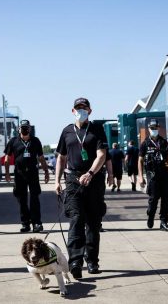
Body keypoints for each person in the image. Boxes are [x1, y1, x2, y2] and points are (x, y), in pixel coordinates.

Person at [55, 97, 108, 279]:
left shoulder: (97, 130)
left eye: (84, 108)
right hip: (72, 179)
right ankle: (75, 261)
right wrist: (57, 181)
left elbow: (101, 155)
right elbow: (61, 158)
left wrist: (91, 173)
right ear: (72, 111)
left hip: (93, 180)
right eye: (78, 108)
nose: (81, 110)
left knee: (93, 222)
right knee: (76, 218)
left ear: (90, 111)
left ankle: (92, 260)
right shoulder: (67, 131)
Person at [5, 119, 50, 233]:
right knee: (22, 199)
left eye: (27, 128)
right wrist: (7, 173)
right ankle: (25, 224)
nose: (25, 129)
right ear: (19, 129)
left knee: (35, 198)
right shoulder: (13, 141)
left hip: (33, 173)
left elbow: (41, 158)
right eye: (22, 127)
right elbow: (7, 158)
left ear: (30, 129)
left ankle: (37, 223)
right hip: (19, 174)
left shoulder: (35, 141)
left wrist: (46, 171)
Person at [138, 119, 168, 232]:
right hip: (152, 175)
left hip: (165, 174)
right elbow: (140, 160)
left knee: (166, 199)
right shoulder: (145, 143)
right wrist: (140, 176)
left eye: (155, 128)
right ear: (149, 129)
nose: (154, 130)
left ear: (159, 128)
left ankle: (163, 221)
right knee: (153, 199)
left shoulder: (164, 142)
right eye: (152, 128)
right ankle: (151, 215)